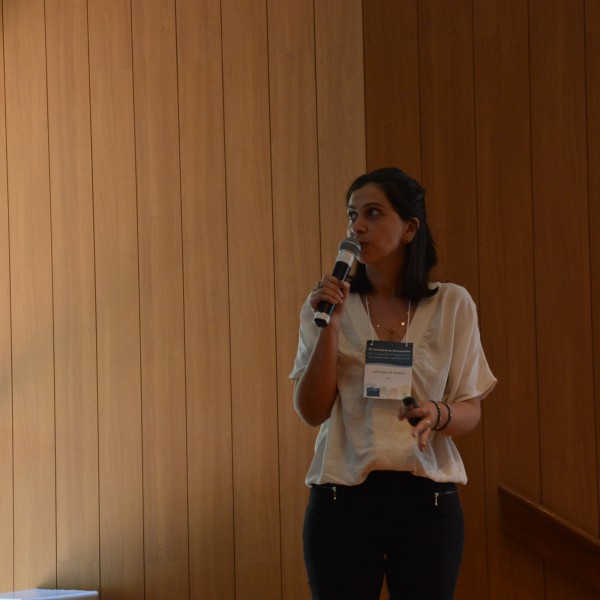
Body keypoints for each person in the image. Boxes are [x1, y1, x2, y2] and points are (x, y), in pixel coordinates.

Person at [290, 167, 496, 600]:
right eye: (352, 215)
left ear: (409, 228)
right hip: (340, 501)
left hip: (428, 502)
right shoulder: (326, 305)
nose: (357, 226)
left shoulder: (452, 304)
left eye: (373, 213)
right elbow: (311, 411)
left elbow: (470, 408)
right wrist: (331, 326)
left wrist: (437, 414)